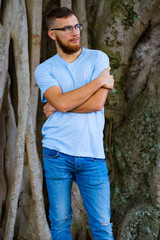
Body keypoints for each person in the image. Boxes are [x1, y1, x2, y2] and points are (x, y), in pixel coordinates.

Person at [34, 7, 114, 240]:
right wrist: (99, 81)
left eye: (76, 26)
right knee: (59, 223)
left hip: (92, 155)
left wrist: (60, 105)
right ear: (52, 34)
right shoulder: (45, 69)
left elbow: (98, 103)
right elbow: (62, 102)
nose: (74, 32)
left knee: (102, 226)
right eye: (67, 28)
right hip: (57, 153)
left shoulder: (98, 58)